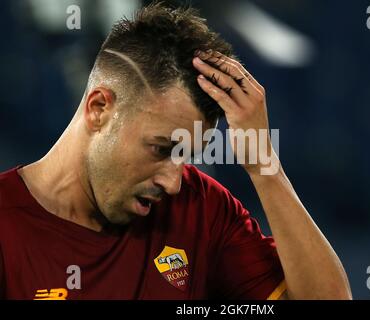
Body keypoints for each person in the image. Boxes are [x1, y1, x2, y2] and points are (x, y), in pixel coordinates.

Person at [0, 2, 351, 300]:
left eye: (187, 155)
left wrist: (264, 167)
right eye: (161, 148)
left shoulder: (200, 209)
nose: (173, 182)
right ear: (99, 108)